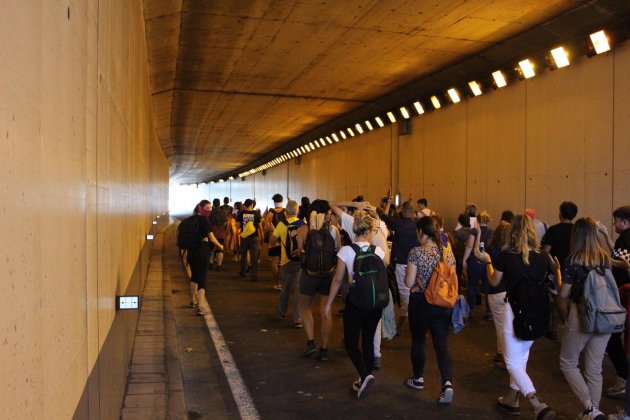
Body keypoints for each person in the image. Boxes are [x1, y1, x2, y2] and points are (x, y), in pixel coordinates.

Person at [476, 214, 560, 419]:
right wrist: (557, 270)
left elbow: (494, 282)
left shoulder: (507, 255)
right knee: (521, 358)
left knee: (512, 362)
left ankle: (536, 403)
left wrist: (487, 262)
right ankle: (511, 400)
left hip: (514, 310)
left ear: (513, 232)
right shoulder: (542, 256)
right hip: (537, 310)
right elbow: (557, 284)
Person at [324, 210, 385, 400]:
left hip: (356, 302)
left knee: (351, 342)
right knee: (368, 341)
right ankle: (364, 377)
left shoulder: (347, 251)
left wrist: (328, 303)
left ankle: (365, 375)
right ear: (369, 231)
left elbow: (337, 280)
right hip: (376, 304)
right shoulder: (378, 251)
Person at [557, 217, 611, 420]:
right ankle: (594, 412)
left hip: (580, 314)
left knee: (568, 362)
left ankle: (590, 408)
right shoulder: (604, 258)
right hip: (604, 316)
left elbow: (564, 294)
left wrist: (563, 311)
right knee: (594, 369)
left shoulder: (572, 260)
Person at [404, 216, 457, 404]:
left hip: (420, 303)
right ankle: (447, 383)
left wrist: (418, 283)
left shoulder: (416, 252)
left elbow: (409, 282)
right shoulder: (448, 254)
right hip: (443, 304)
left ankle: (418, 378)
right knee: (441, 344)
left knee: (418, 340)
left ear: (421, 232)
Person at [300, 200, 340, 360]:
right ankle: (324, 349)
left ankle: (311, 343)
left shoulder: (304, 229)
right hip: (327, 275)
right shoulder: (333, 230)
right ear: (328, 213)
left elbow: (300, 253)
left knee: (305, 308)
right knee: (326, 310)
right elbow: (338, 251)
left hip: (309, 275)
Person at [598, 206, 630, 401]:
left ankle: (623, 379)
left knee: (614, 337)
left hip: (622, 294)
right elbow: (619, 256)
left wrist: (602, 258)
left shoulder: (625, 238)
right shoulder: (624, 239)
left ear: (625, 222)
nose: (614, 224)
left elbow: (620, 262)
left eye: (616, 221)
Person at [378, 199, 420, 334]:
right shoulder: (419, 225)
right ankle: (417, 323)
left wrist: (388, 203)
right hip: (418, 264)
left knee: (404, 295)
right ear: (413, 212)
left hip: (402, 265)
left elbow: (383, 216)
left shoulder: (398, 224)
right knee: (418, 292)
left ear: (402, 212)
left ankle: (405, 320)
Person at [542, 201, 579, 340]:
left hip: (557, 272)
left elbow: (546, 251)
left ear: (560, 213)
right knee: (567, 302)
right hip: (575, 272)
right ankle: (553, 330)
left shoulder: (553, 230)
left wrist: (551, 265)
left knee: (558, 301)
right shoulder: (577, 230)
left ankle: (570, 332)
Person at [480, 220, 511, 369]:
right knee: (509, 325)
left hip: (495, 291)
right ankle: (505, 354)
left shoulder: (491, 251)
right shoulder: (513, 252)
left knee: (500, 326)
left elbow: (492, 278)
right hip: (510, 292)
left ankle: (503, 355)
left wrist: (487, 263)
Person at [273, 200, 308, 328]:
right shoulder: (303, 224)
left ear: (286, 212)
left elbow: (272, 241)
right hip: (300, 261)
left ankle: (282, 313)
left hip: (286, 261)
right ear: (297, 211)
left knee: (285, 289)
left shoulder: (282, 224)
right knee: (299, 290)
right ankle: (297, 319)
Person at [188, 200, 224, 316]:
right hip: (202, 251)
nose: (209, 210)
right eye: (207, 207)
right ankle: (200, 307)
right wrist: (220, 246)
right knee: (202, 278)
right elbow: (212, 238)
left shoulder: (190, 220)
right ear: (200, 208)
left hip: (192, 251)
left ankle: (193, 301)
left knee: (194, 275)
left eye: (210, 207)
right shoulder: (205, 221)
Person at [462, 210, 493, 319]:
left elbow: (470, 246)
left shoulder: (474, 231)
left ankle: (470, 310)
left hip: (475, 262)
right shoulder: (492, 232)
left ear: (478, 220)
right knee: (487, 287)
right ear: (488, 220)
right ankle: (489, 311)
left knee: (472, 286)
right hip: (487, 261)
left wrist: (464, 260)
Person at [265, 194, 286, 290]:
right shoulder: (286, 212)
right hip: (285, 241)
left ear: (274, 202)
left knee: (274, 262)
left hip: (274, 241)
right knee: (284, 262)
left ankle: (277, 283)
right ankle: (283, 283)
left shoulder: (271, 213)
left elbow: (266, 227)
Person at [237, 199, 261, 281]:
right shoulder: (257, 213)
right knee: (254, 257)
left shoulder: (241, 213)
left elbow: (238, 225)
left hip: (244, 237)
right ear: (251, 205)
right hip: (255, 237)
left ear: (244, 205)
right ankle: (254, 275)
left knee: (243, 255)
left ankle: (242, 272)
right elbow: (260, 226)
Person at [209, 198, 228, 271]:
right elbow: (226, 223)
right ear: (219, 204)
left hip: (213, 231)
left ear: (213, 204)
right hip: (221, 231)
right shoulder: (224, 212)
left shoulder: (211, 212)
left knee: (211, 248)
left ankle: (211, 264)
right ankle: (219, 266)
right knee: (220, 249)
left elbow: (209, 223)